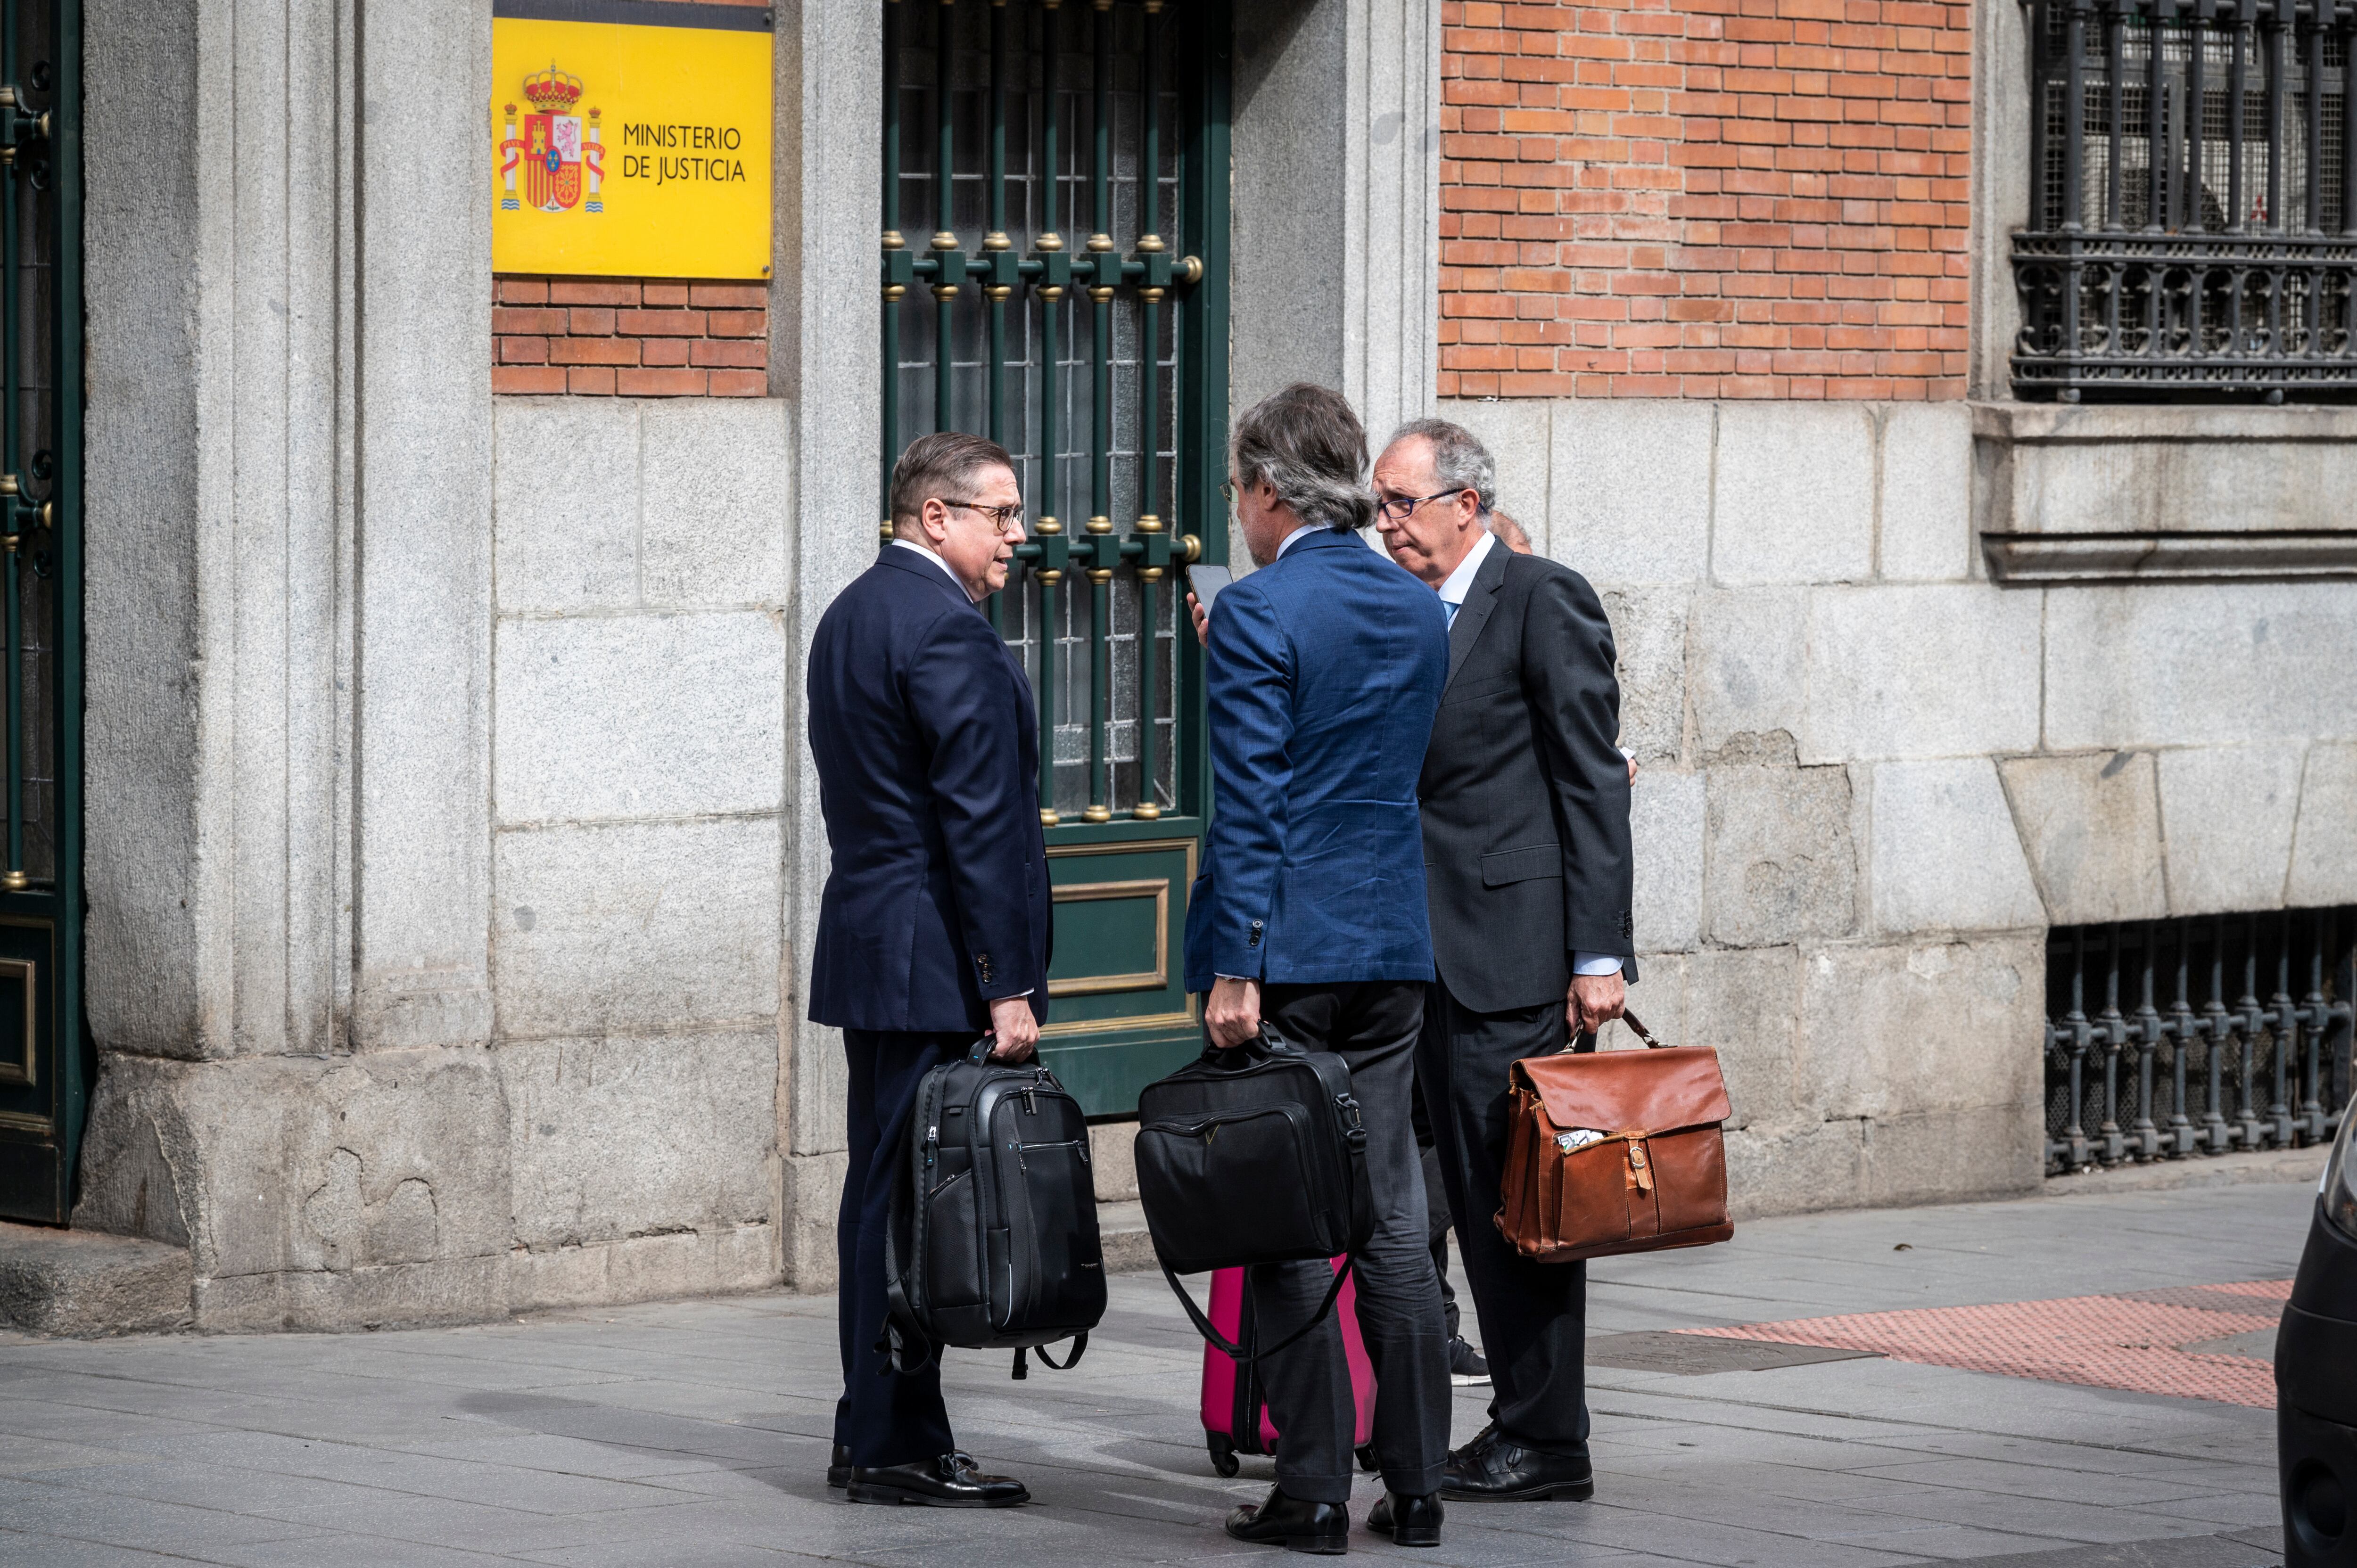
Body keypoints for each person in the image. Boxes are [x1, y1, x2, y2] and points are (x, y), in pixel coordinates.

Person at [1182, 383, 1455, 1553]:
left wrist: (1235, 963)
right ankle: (1419, 1479)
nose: (1238, 512)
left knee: (1289, 1216)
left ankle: (1309, 1488)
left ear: (1267, 487)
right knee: (1391, 1212)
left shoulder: (1255, 611)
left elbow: (1254, 800)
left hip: (1285, 946)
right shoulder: (1418, 607)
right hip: (1392, 938)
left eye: (1241, 490)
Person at [1370, 418, 1637, 1507]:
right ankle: (1504, 1419)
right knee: (1459, 1199)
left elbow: (1592, 777)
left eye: (1400, 502)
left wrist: (1599, 952)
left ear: (1466, 504)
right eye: (1377, 502)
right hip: (1415, 952)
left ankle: (1543, 1434)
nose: (1383, 521)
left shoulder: (1540, 596)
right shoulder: (1400, 609)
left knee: (1520, 1203)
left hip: (1512, 956)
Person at [806, 431, 1048, 1509]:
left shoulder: (853, 611)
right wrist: (1009, 981)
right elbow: (982, 828)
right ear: (933, 515)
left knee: (882, 1194)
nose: (1017, 535)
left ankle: (877, 1426)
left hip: (874, 941)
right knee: (914, 1206)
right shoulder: (946, 630)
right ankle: (895, 1439)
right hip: (936, 955)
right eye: (1000, 515)